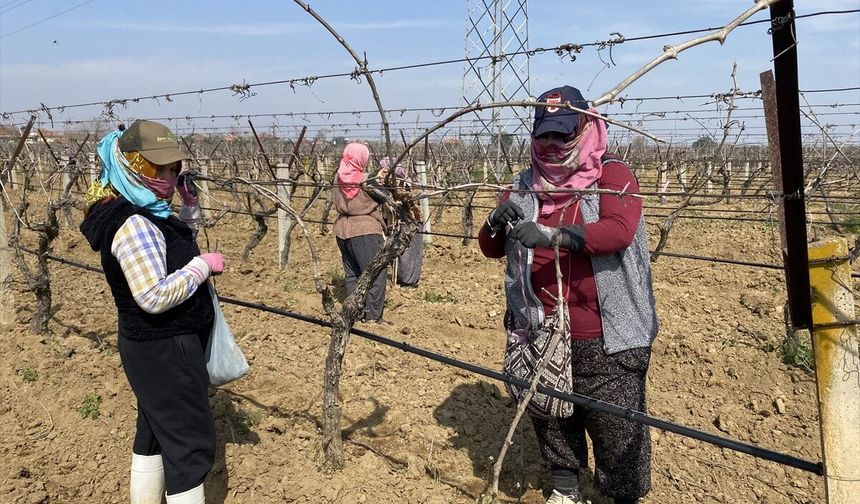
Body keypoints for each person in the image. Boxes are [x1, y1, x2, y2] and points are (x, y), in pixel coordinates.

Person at [478, 86, 659, 504]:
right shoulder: (524, 183)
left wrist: (554, 235)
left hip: (609, 332)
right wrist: (493, 221)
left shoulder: (612, 175)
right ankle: (566, 488)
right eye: (544, 135)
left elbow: (618, 230)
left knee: (616, 424)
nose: (552, 144)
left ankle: (622, 495)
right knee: (551, 411)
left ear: (585, 128)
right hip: (540, 326)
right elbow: (490, 247)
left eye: (562, 134)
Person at [80, 120, 224, 504]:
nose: (168, 178)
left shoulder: (137, 208)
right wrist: (202, 267)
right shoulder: (134, 223)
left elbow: (171, 245)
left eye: (173, 168)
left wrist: (188, 208)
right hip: (166, 348)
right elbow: (153, 295)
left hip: (150, 347)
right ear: (131, 166)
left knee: (154, 432)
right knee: (189, 446)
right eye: (157, 169)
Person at [333, 142, 389, 323]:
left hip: (342, 230)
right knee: (375, 273)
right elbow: (384, 197)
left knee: (353, 274)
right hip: (365, 231)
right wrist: (382, 180)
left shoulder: (337, 177)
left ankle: (355, 314)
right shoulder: (366, 180)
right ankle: (372, 317)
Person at [377, 156, 423, 287]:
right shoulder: (386, 182)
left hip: (404, 222)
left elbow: (407, 201)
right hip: (391, 220)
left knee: (403, 250)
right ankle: (400, 276)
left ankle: (405, 278)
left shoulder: (403, 183)